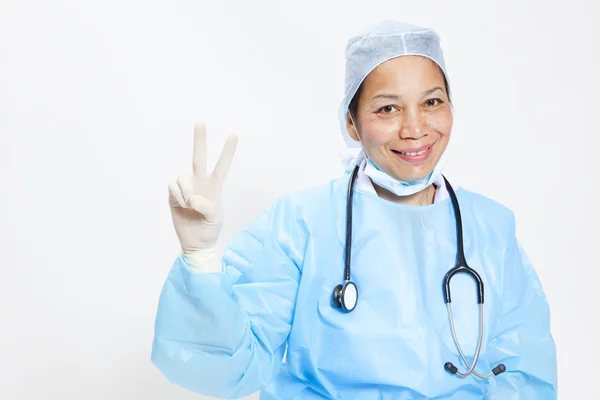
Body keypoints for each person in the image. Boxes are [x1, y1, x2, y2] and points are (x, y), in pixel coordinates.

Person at [151, 20, 557, 399]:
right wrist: (200, 258)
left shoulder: (490, 228)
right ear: (351, 122)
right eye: (387, 108)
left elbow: (526, 374)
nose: (414, 128)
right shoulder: (301, 223)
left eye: (432, 102)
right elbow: (233, 365)